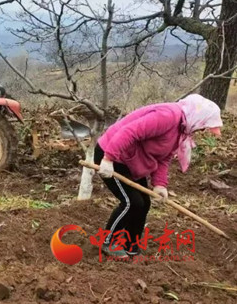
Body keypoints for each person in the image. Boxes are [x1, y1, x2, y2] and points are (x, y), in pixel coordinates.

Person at [94, 94, 222, 257]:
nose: (202, 130)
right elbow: (130, 132)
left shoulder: (181, 130)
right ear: (199, 117)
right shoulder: (167, 116)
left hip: (131, 160)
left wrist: (160, 184)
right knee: (131, 202)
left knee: (144, 203)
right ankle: (108, 242)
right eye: (204, 126)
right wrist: (108, 158)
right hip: (113, 154)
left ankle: (131, 246)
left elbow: (164, 157)